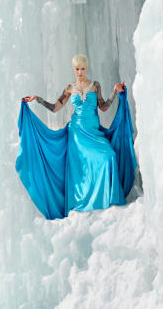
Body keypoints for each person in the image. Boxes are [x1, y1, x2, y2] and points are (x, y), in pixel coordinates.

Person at [16, 55, 137, 220]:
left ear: (87, 68)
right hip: (77, 133)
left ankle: (109, 201)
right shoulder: (69, 89)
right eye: (77, 69)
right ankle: (85, 203)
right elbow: (54, 108)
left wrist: (115, 92)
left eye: (83, 68)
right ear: (74, 69)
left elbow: (104, 107)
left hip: (93, 131)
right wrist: (38, 99)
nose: (80, 72)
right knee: (82, 167)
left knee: (109, 156)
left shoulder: (95, 86)